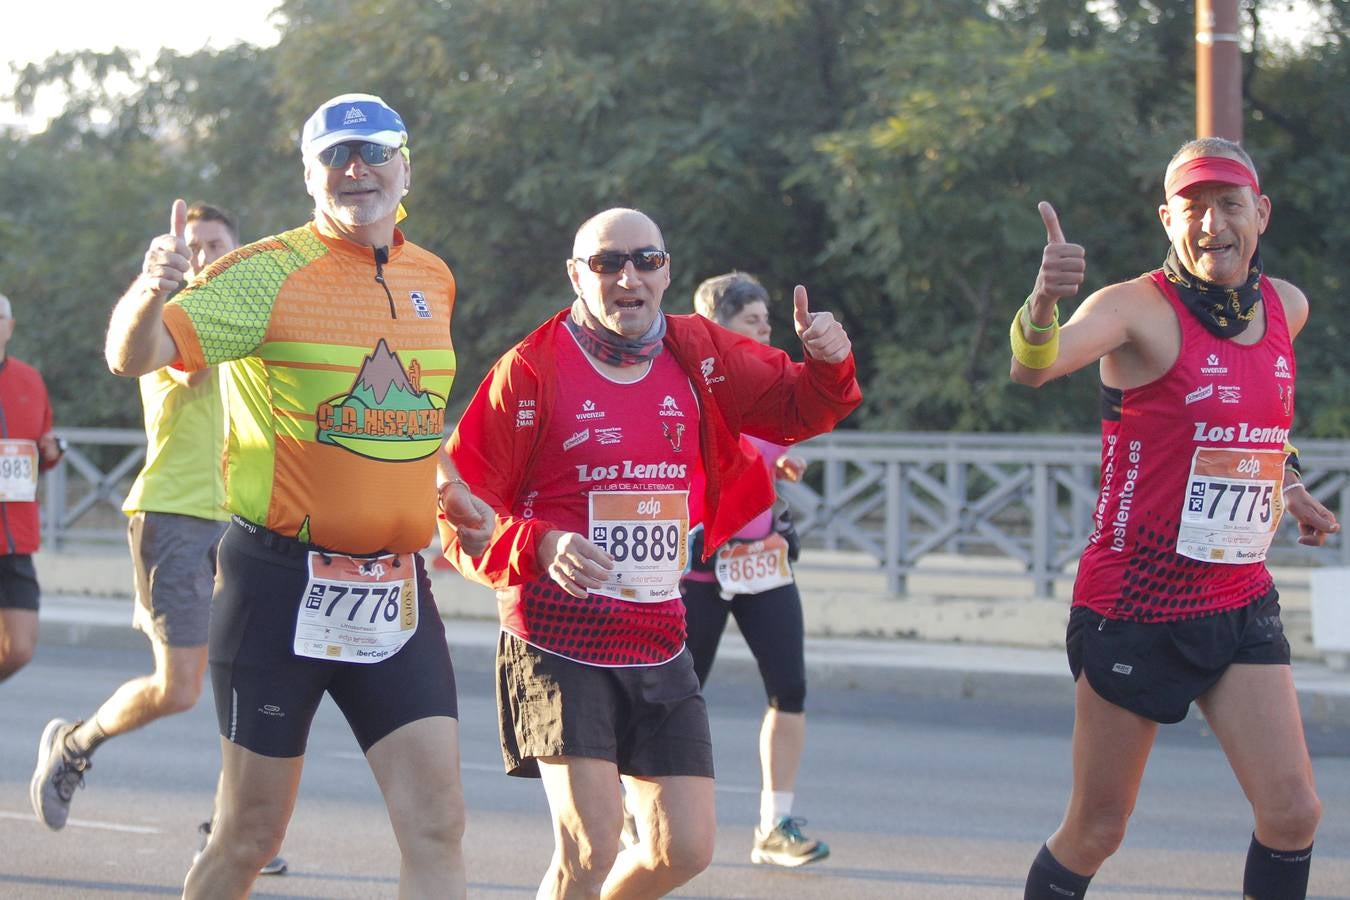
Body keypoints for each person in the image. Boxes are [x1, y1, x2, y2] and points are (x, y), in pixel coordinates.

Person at [83, 93, 492, 899]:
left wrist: (449, 484)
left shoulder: (432, 278)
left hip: (393, 591)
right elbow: (137, 356)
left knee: (438, 823)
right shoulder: (263, 273)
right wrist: (149, 289)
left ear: (406, 165)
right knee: (249, 835)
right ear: (311, 177)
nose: (357, 169)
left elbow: (415, 404)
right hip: (280, 587)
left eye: (373, 151)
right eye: (335, 157)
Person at [441, 207, 861, 898]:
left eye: (645, 260)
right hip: (558, 636)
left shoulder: (701, 354)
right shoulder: (530, 370)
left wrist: (829, 356)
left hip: (660, 635)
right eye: (607, 263)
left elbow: (801, 406)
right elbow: (462, 516)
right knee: (591, 845)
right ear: (577, 275)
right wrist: (540, 543)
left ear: (666, 271)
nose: (627, 276)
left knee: (685, 848)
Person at [1010, 137, 1341, 900]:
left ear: (1259, 212)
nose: (1212, 224)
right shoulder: (1131, 308)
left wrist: (1287, 485)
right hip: (1137, 602)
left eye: (1230, 205)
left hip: (1237, 596)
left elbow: (1253, 421)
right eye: (1193, 207)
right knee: (1097, 830)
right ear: (1168, 218)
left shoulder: (1286, 306)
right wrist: (1043, 301)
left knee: (1293, 814)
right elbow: (1035, 365)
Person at [28, 203, 286, 874]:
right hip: (173, 518)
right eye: (191, 246)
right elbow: (196, 366)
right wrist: (162, 281)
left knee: (256, 680)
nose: (202, 256)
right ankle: (76, 745)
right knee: (180, 689)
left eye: (215, 247)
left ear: (237, 252)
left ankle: (230, 827)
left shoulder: (258, 320)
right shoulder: (175, 327)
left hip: (245, 522)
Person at [682, 271, 827, 868]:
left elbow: (773, 439)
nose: (766, 329)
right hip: (699, 569)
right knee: (678, 697)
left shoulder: (772, 386)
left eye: (768, 321)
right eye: (752, 320)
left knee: (789, 689)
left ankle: (775, 824)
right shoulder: (687, 389)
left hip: (764, 564)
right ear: (719, 328)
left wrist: (783, 458)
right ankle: (643, 811)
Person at [0, 292, 65, 682]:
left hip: (17, 536)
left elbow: (43, 446)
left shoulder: (29, 379)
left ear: (9, 326)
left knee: (20, 648)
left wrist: (52, 450)